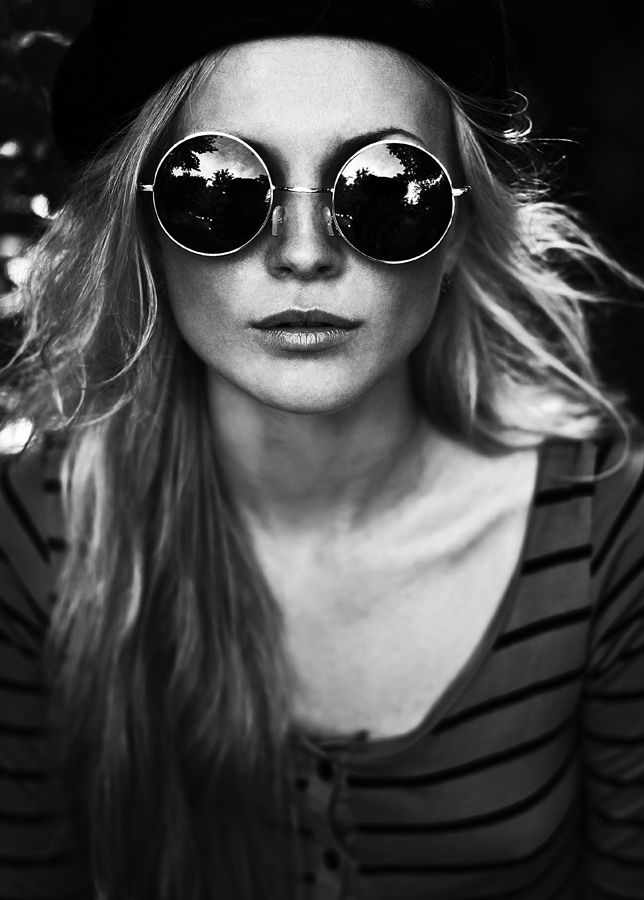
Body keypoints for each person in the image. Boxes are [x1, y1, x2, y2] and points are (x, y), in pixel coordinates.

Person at [1, 1, 643, 898]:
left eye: (383, 188)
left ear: (458, 233)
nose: (303, 254)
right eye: (219, 188)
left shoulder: (603, 528)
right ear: (144, 229)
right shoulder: (41, 533)